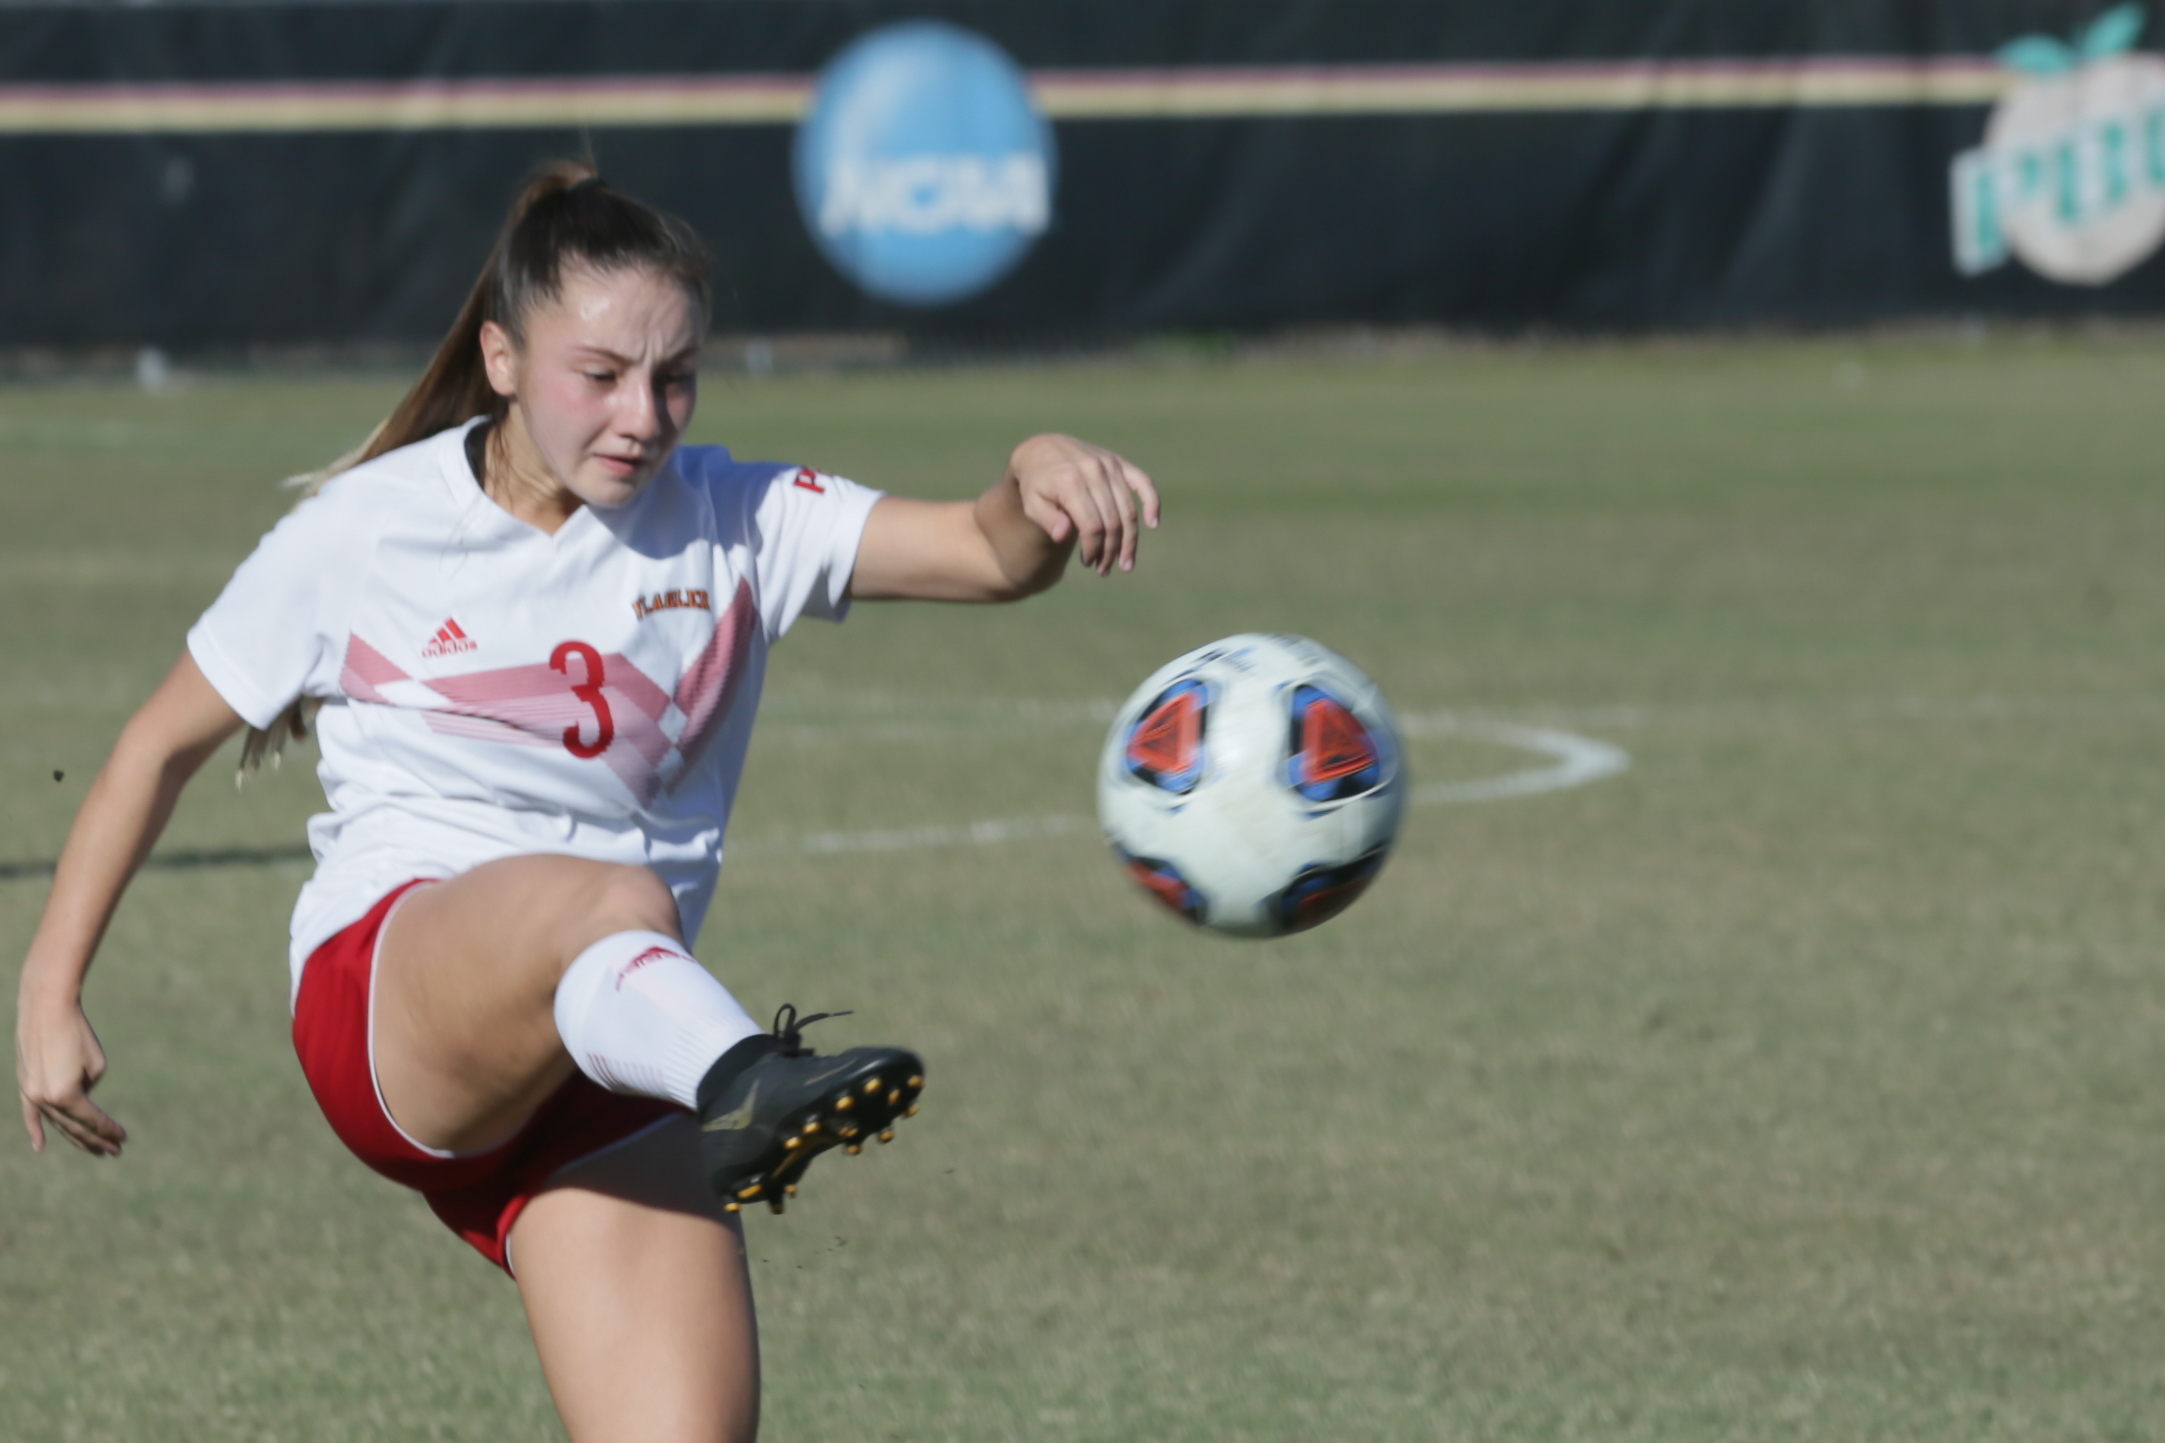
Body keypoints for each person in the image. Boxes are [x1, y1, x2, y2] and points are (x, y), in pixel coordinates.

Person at [12, 162, 1158, 1443]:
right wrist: (48, 991)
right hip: (392, 1003)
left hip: (607, 1070)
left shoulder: (736, 516)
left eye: (675, 377)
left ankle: (727, 1086)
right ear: (501, 358)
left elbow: (986, 553)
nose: (644, 414)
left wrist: (1036, 476)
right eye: (599, 374)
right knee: (618, 899)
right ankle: (743, 1083)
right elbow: (154, 748)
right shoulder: (366, 532)